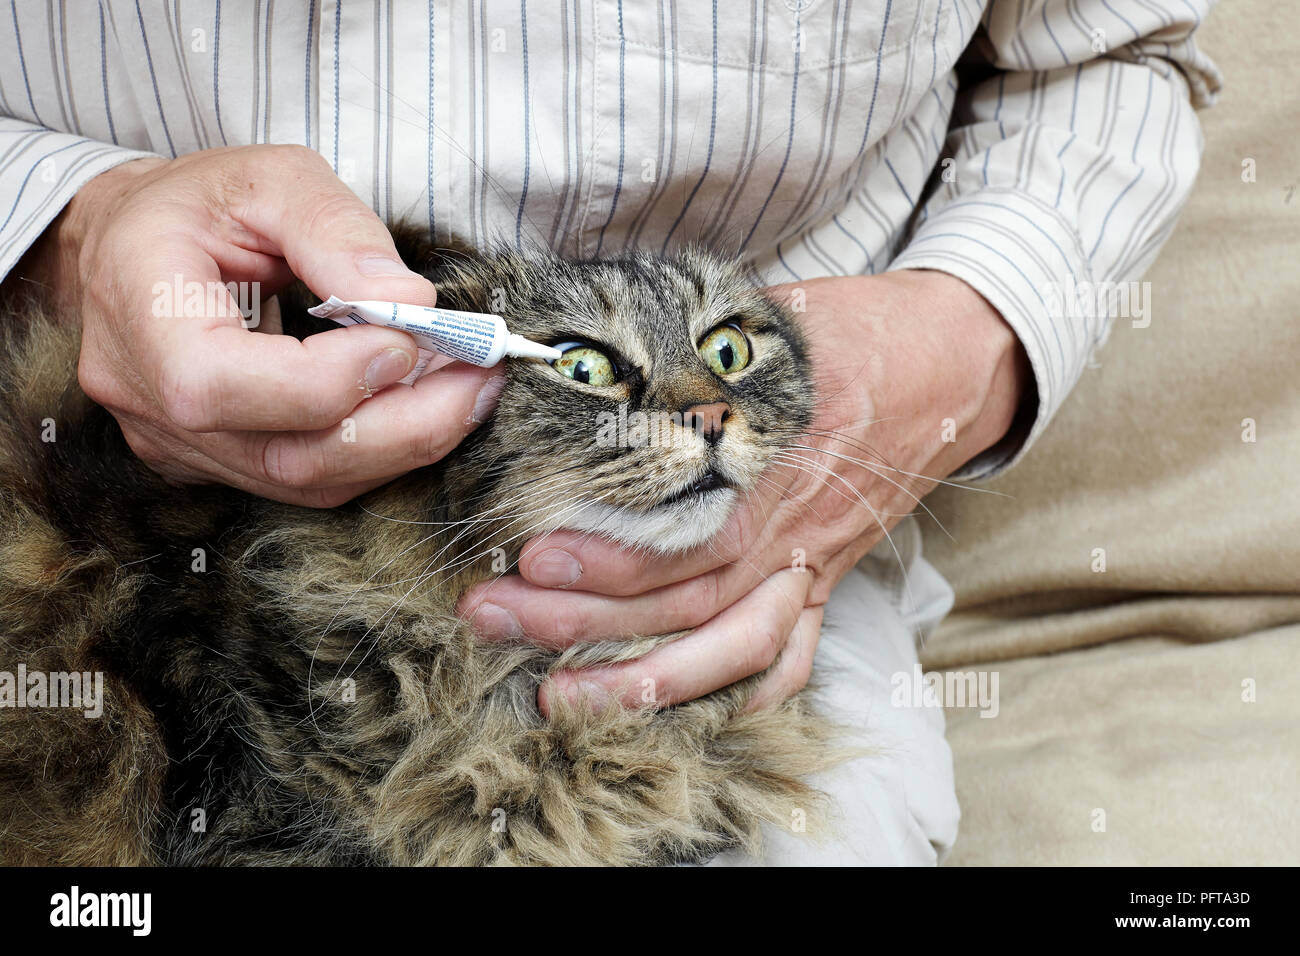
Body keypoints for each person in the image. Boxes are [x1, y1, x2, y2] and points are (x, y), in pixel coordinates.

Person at [0, 0, 1218, 864]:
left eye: (721, 357)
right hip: (121, 444)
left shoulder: (744, 434)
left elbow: (1123, 56)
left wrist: (958, 333)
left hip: (784, 537)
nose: (698, 403)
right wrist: (72, 226)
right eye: (596, 370)